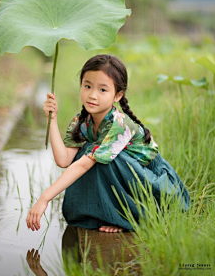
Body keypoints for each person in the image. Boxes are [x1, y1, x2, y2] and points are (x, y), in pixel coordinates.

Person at [26, 54, 190, 233]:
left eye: (102, 90)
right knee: (89, 154)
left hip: (155, 185)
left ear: (118, 95)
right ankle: (108, 214)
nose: (92, 95)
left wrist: (44, 198)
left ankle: (127, 217)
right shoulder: (81, 122)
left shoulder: (119, 124)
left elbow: (82, 167)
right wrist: (53, 120)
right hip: (130, 179)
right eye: (87, 86)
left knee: (99, 158)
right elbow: (64, 160)